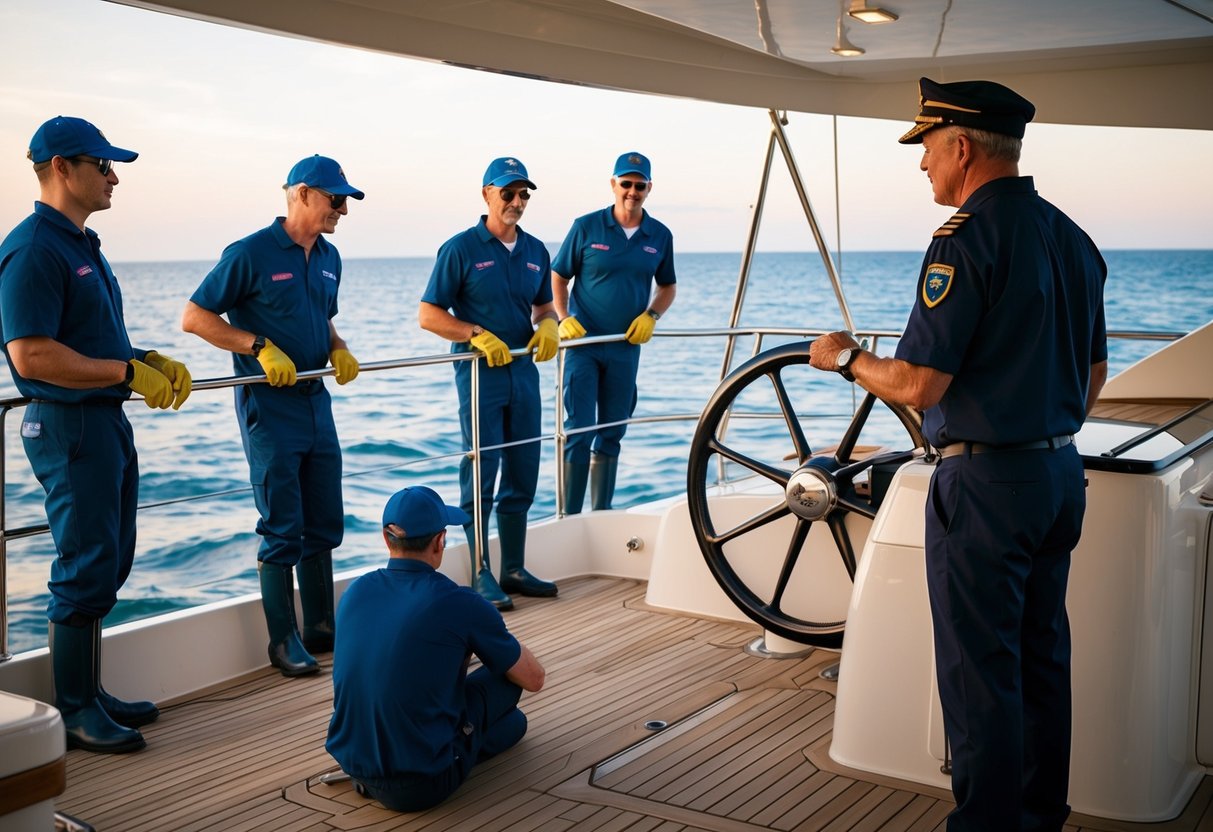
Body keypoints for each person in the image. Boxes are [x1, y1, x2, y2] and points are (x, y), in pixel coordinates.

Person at [809, 78, 1107, 831]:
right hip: (1057, 474)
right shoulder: (1071, 237)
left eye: (927, 150)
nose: (921, 168)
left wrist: (845, 360)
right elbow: (1093, 373)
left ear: (962, 148)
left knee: (980, 679)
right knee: (1041, 663)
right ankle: (1038, 819)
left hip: (984, 486)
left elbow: (915, 382)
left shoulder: (965, 239)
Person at [0, 116, 193, 753]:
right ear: (62, 167)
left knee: (109, 558)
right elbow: (30, 356)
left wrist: (147, 359)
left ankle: (93, 691)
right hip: (68, 425)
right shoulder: (33, 249)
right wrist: (124, 371)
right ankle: (75, 708)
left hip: (103, 419)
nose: (114, 176)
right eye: (103, 165)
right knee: (84, 564)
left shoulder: (83, 244)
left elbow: (91, 339)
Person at [182, 155, 363, 677]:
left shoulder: (330, 257)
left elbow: (325, 320)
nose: (343, 209)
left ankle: (321, 627)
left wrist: (339, 347)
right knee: (283, 522)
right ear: (302, 194)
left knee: (324, 516)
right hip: (270, 403)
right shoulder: (251, 252)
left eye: (347, 199)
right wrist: (258, 346)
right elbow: (195, 317)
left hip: (314, 398)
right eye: (336, 198)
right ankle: (283, 641)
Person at [326, 485, 545, 812]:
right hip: (421, 786)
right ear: (440, 541)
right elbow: (533, 678)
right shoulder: (460, 601)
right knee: (513, 716)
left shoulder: (355, 593)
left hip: (355, 763)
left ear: (386, 540)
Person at [419, 157, 559, 610]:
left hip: (523, 371)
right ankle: (480, 572)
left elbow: (542, 307)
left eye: (524, 195)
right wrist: (474, 334)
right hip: (480, 375)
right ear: (486, 194)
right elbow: (429, 315)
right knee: (481, 473)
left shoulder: (537, 250)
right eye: (508, 193)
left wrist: (551, 323)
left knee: (524, 471)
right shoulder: (459, 249)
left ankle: (513, 569)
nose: (517, 202)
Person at [551, 152, 676, 513]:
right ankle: (570, 518)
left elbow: (667, 286)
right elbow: (558, 275)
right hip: (583, 345)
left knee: (613, 431)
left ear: (649, 188)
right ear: (613, 184)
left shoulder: (660, 235)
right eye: (626, 184)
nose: (632, 191)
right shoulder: (586, 226)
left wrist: (652, 314)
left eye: (639, 185)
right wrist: (562, 317)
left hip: (625, 347)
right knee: (578, 430)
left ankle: (601, 514)